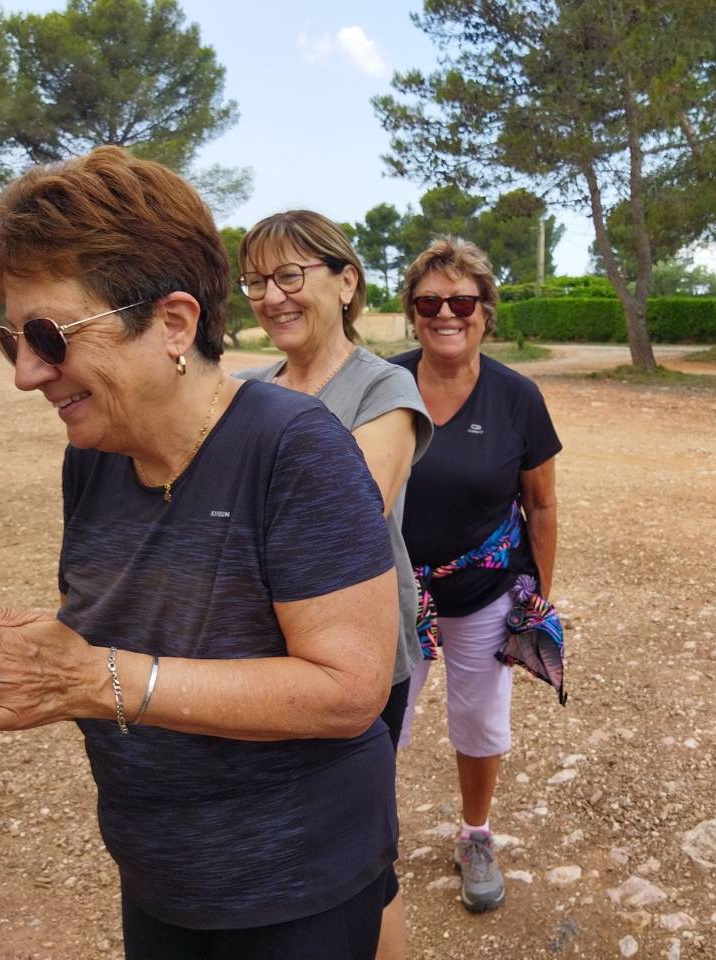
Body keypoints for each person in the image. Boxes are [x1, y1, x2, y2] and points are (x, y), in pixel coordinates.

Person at [0, 147, 400, 960]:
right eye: (11, 340)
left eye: (50, 336)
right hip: (160, 871)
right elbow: (117, 632)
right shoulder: (94, 451)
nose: (27, 373)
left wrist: (91, 680)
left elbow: (349, 689)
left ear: (173, 323)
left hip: (293, 881)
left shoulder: (296, 448)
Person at [233, 210, 432, 960]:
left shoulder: (386, 389)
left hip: (359, 663)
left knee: (362, 863)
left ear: (346, 281)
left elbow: (341, 518)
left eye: (291, 276)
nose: (271, 296)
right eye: (256, 280)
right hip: (259, 659)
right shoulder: (248, 393)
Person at [391, 237, 562, 914]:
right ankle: (362, 841)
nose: (446, 313)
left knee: (480, 720)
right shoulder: (384, 386)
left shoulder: (518, 398)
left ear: (485, 311)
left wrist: (536, 596)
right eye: (429, 301)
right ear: (412, 312)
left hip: (487, 589)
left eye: (462, 300)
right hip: (393, 591)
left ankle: (475, 834)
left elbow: (541, 504)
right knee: (376, 719)